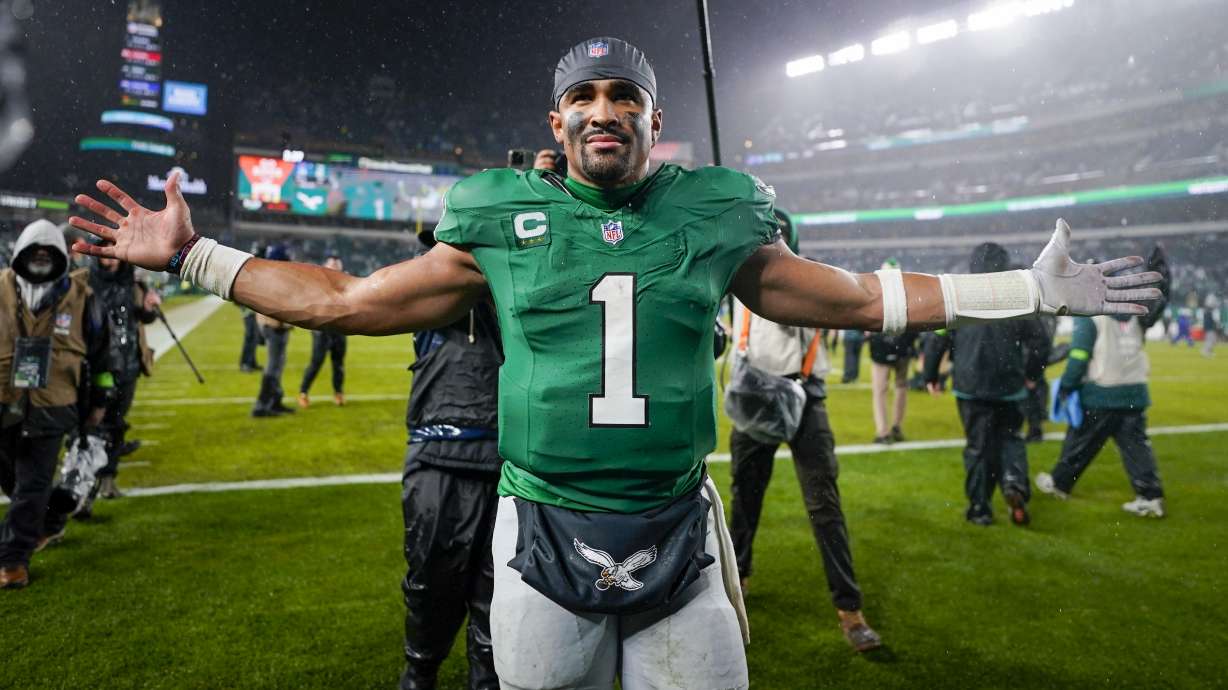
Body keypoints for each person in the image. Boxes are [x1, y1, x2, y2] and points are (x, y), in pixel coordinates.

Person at [68, 37, 1160, 689]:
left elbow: (860, 297)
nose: (603, 114)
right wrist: (198, 254)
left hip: (678, 527)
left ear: (652, 123)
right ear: (556, 118)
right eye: (584, 100)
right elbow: (349, 303)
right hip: (542, 521)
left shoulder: (717, 212)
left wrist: (1019, 289)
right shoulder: (499, 214)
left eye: (622, 101)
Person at [727, 213, 882, 653]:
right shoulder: (735, 274)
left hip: (804, 393)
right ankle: (738, 584)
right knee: (746, 495)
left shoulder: (809, 277)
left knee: (823, 502)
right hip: (757, 390)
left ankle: (850, 611)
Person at [399, 226, 503, 690]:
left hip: (512, 463)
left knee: (499, 600)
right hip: (441, 457)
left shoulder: (519, 287)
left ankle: (485, 680)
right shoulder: (434, 288)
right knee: (430, 588)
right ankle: (420, 674)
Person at [0, 220, 113, 589]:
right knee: (13, 482)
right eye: (35, 251)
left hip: (54, 405)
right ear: (20, 254)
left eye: (49, 253)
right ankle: (50, 517)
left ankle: (13, 560)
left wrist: (98, 402)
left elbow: (101, 358)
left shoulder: (84, 298)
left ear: (62, 257)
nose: (41, 258)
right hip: (3, 402)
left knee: (31, 484)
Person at [1035, 254, 1170, 518]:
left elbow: (1079, 355)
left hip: (1102, 392)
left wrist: (1067, 386)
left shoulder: (1090, 314)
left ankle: (1059, 483)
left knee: (1079, 442)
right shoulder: (1135, 308)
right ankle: (1150, 496)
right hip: (1134, 390)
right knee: (1136, 447)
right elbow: (1158, 303)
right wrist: (1163, 278)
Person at [923, 243, 1047, 527]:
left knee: (978, 447)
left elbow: (937, 338)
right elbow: (1041, 341)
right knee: (1011, 439)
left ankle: (980, 508)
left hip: (971, 385)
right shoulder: (1018, 299)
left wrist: (930, 375)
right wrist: (1031, 374)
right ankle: (1014, 484)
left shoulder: (957, 297)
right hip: (1010, 385)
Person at [81, 245, 159, 506]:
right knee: (89, 427)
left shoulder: (133, 282)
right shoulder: (83, 280)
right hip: (95, 365)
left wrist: (150, 307)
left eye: (111, 252)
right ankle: (83, 488)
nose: (108, 258)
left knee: (115, 424)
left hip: (128, 365)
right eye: (102, 252)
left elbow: (144, 318)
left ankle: (108, 480)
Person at [867, 259, 916, 444]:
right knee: (901, 387)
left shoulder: (875, 292)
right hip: (902, 348)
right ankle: (896, 426)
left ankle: (883, 431)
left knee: (880, 390)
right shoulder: (907, 293)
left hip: (881, 349)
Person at [298, 255, 349, 408]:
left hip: (340, 328)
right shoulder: (317, 281)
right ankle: (303, 392)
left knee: (338, 364)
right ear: (325, 265)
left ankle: (338, 393)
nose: (334, 266)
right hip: (322, 329)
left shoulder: (346, 281)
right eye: (332, 264)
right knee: (316, 362)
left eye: (337, 264)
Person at [251, 245, 294, 418]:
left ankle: (275, 401)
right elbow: (278, 305)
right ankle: (262, 406)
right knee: (273, 367)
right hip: (274, 326)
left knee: (277, 366)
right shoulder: (274, 277)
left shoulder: (267, 273)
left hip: (273, 326)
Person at [239, 305, 262, 372]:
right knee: (250, 338)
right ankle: (245, 363)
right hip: (249, 313)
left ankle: (252, 363)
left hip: (251, 312)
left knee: (253, 339)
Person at [1202, 292, 1219, 357]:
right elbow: (1210, 321)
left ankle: (1207, 351)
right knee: (1210, 340)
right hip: (1209, 328)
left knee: (1212, 340)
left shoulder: (1208, 311)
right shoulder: (1208, 311)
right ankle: (1206, 351)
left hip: (1209, 328)